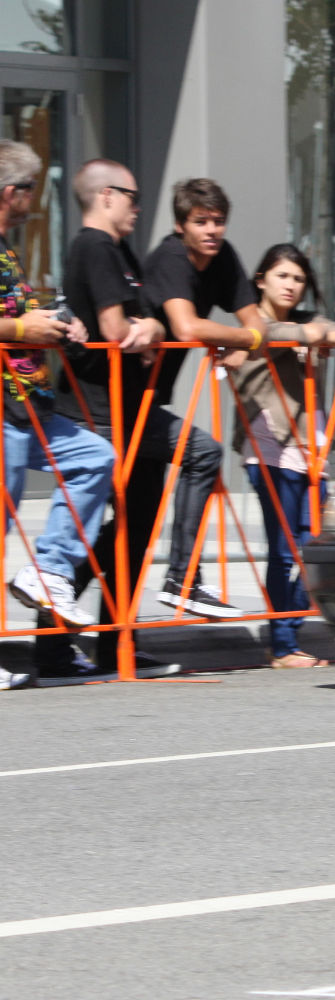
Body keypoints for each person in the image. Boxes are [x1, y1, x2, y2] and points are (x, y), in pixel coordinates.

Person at [141, 177, 330, 617]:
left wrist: (246, 340)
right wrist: (244, 339)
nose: (211, 230)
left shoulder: (222, 256)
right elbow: (188, 327)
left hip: (149, 397)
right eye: (200, 221)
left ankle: (115, 634)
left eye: (218, 221)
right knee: (200, 456)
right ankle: (181, 580)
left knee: (135, 523)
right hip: (117, 397)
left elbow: (256, 325)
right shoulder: (170, 257)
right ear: (180, 225)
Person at [34, 159, 186, 679]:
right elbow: (119, 330)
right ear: (105, 196)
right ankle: (56, 642)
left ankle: (114, 639)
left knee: (135, 525)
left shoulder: (116, 248)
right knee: (113, 526)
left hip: (126, 407)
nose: (137, 207)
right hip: (97, 411)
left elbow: (141, 324)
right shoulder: (95, 246)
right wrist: (147, 328)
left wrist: (152, 328)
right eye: (131, 197)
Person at [0, 141, 117, 690]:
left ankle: (48, 571)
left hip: (28, 404)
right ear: (12, 193)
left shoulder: (8, 249)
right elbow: (13, 323)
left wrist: (58, 321)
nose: (37, 202)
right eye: (33, 191)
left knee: (95, 456)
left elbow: (19, 311)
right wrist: (23, 329)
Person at [232, 244, 335, 668]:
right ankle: (283, 644)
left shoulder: (308, 321)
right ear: (261, 280)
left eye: (298, 279)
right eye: (282, 276)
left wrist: (316, 334)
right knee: (285, 549)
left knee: (315, 547)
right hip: (269, 446)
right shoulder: (251, 325)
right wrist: (297, 336)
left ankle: (287, 632)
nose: (290, 285)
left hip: (311, 451)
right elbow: (245, 350)